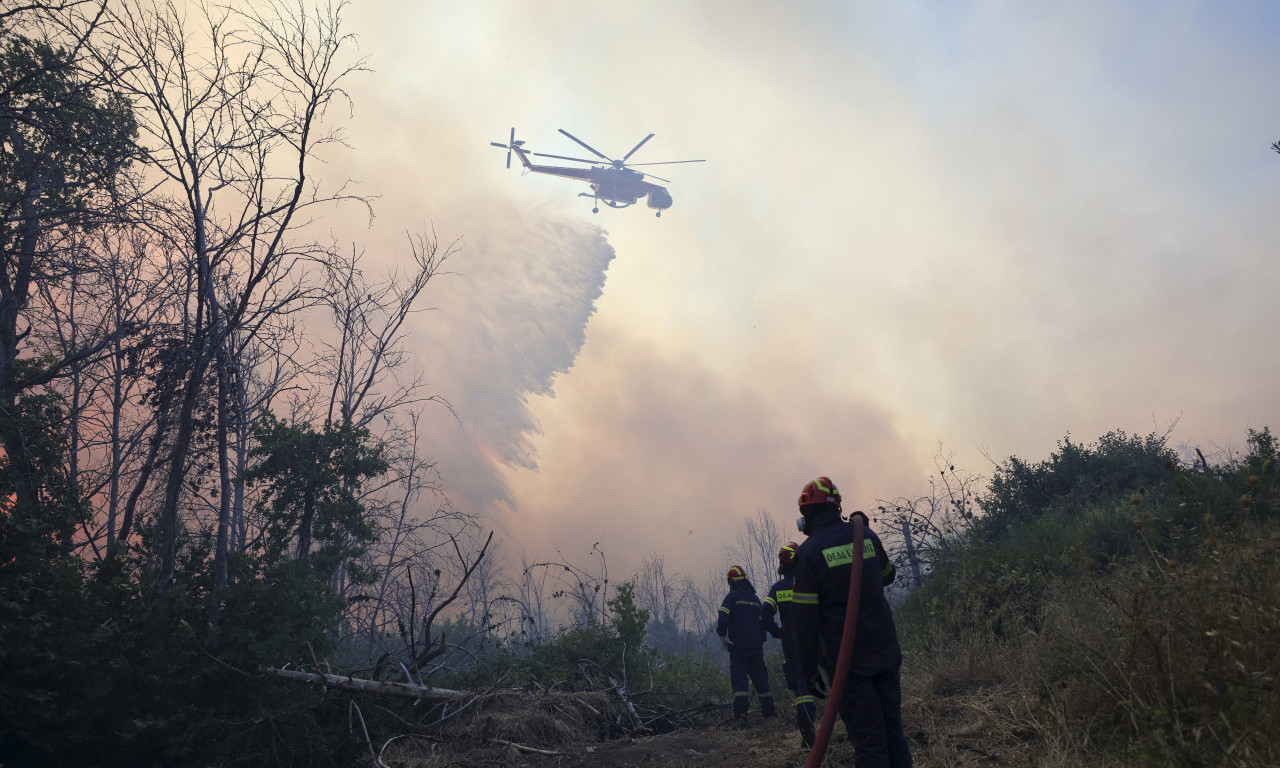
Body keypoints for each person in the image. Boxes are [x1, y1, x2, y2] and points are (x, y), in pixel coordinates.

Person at [792, 476, 912, 768]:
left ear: (806, 518)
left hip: (850, 667)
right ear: (838, 509)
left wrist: (809, 671)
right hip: (885, 653)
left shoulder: (808, 553)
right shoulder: (867, 537)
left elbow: (805, 623)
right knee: (893, 733)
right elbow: (888, 576)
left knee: (870, 742)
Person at [762, 542, 818, 748]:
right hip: (819, 638)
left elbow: (765, 612)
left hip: (794, 642)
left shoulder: (777, 589)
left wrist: (777, 632)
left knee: (802, 687)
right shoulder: (812, 581)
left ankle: (807, 730)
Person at [716, 565, 776, 726]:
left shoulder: (732, 597)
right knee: (761, 679)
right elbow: (762, 622)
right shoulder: (755, 599)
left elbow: (723, 616)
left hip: (739, 647)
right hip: (756, 647)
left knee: (740, 680)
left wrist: (722, 635)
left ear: (731, 581)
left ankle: (741, 718)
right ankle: (770, 714)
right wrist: (760, 640)